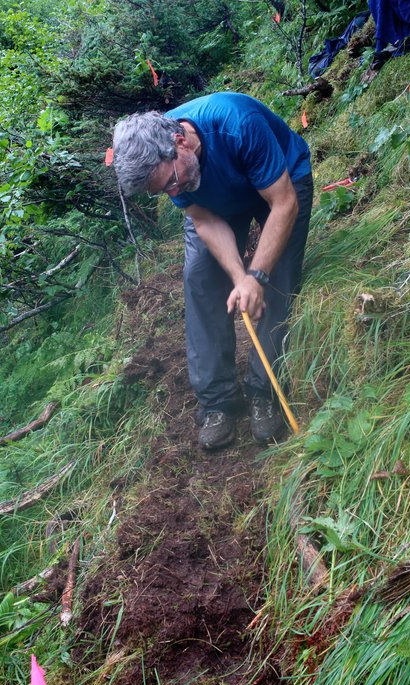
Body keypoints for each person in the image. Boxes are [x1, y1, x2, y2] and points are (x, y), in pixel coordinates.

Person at [113, 92, 312, 449]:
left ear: (180, 141)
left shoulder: (237, 126)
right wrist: (240, 277)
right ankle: (218, 400)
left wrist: (258, 276)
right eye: (164, 191)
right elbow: (203, 220)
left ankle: (264, 390)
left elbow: (283, 203)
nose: (173, 191)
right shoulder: (168, 168)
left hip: (281, 182)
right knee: (200, 278)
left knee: (279, 275)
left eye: (171, 182)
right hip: (215, 201)